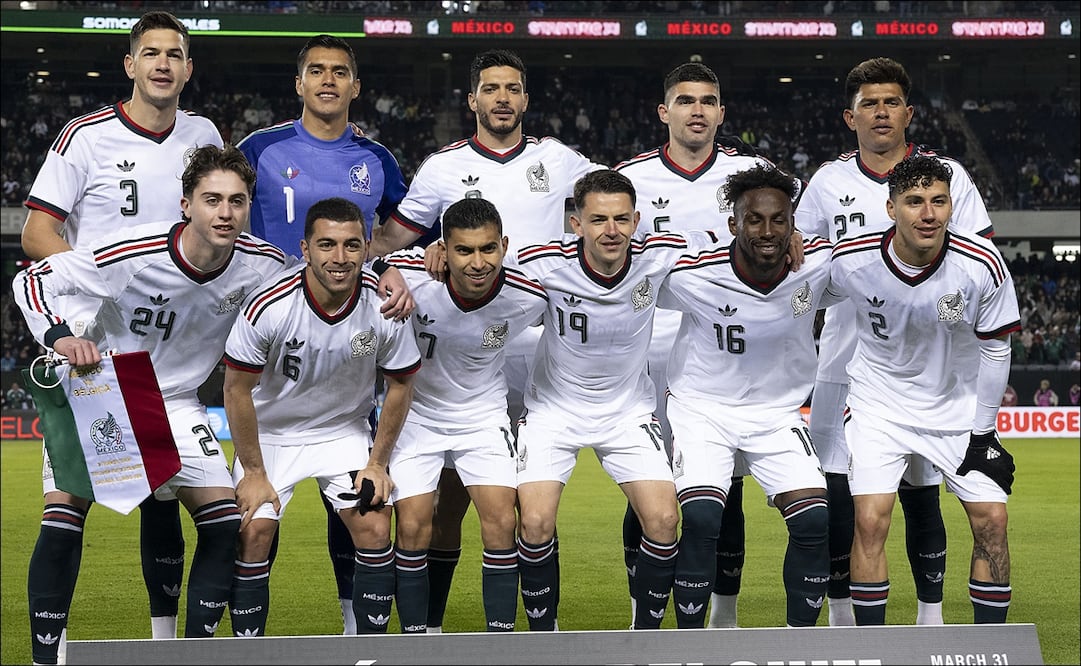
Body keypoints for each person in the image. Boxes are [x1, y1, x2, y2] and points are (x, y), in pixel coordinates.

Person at [14, 144, 292, 664]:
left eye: (237, 201)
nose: (225, 213)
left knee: (224, 523)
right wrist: (58, 336)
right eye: (212, 200)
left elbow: (306, 291)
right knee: (63, 517)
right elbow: (31, 278)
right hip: (103, 389)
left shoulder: (263, 264)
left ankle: (184, 654)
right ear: (186, 204)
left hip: (178, 403)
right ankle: (44, 659)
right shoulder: (130, 253)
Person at [368, 48, 604, 632]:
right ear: (472, 100)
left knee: (526, 508)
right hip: (459, 344)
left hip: (540, 347)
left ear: (526, 99)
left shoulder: (562, 160)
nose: (502, 98)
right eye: (491, 89)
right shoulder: (443, 167)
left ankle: (531, 627)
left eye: (513, 88)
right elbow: (390, 242)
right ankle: (430, 626)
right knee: (442, 503)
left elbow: (610, 214)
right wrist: (400, 264)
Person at [18, 10, 223, 653]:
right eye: (151, 53)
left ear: (188, 69)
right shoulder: (86, 136)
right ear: (130, 65)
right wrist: (80, 300)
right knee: (67, 506)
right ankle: (46, 656)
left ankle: (168, 646)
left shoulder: (204, 133)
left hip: (172, 352)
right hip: (99, 353)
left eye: (175, 54)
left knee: (169, 497)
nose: (163, 63)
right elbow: (35, 234)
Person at [795, 57, 995, 626]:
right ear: (849, 116)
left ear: (908, 112)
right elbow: (803, 269)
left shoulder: (948, 175)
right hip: (845, 359)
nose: (880, 113)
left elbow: (980, 266)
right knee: (846, 494)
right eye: (868, 104)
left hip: (933, 364)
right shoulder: (828, 183)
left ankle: (929, 620)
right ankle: (842, 618)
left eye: (890, 103)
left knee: (922, 490)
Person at [613, 61, 803, 629]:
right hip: (646, 351)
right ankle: (640, 609)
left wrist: (791, 235)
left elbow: (793, 229)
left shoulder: (754, 172)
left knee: (727, 491)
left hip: (725, 356)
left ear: (722, 112)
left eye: (708, 101)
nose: (697, 110)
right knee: (648, 490)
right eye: (685, 100)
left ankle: (723, 614)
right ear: (663, 111)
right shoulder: (630, 177)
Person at [236, 34, 412, 634]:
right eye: (317, 71)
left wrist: (390, 266)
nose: (328, 81)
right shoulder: (259, 148)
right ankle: (242, 641)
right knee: (249, 521)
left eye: (340, 72)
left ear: (355, 87)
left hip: (344, 325)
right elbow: (222, 207)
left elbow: (401, 230)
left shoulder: (378, 159)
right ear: (300, 83)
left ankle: (356, 631)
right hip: (270, 321)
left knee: (360, 513)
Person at [513, 169, 712, 631]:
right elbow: (478, 266)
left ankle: (644, 637)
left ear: (637, 219)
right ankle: (546, 638)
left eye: (622, 219)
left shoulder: (659, 255)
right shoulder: (542, 262)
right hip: (552, 412)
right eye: (598, 219)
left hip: (627, 413)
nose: (612, 230)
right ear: (575, 223)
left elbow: (729, 241)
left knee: (664, 521)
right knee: (535, 524)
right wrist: (423, 259)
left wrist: (792, 238)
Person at [827, 154, 1019, 625]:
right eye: (914, 202)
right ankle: (870, 652)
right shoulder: (852, 259)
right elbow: (804, 293)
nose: (928, 213)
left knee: (991, 522)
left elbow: (997, 350)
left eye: (939, 201)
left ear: (953, 206)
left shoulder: (981, 264)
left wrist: (984, 433)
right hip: (879, 407)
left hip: (957, 412)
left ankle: (988, 644)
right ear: (891, 208)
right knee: (871, 520)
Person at [222, 197, 419, 637]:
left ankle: (367, 647)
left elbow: (401, 384)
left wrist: (377, 463)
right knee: (253, 534)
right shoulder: (268, 305)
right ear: (305, 249)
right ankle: (245, 650)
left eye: (352, 245)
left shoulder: (384, 306)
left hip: (341, 435)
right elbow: (236, 389)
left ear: (367, 247)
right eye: (326, 245)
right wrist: (253, 471)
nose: (340, 257)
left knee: (374, 526)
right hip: (272, 437)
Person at [660, 164, 834, 628]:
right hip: (703, 409)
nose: (767, 231)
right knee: (699, 518)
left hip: (777, 414)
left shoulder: (818, 263)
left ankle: (802, 648)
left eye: (779, 220)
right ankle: (692, 650)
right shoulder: (691, 273)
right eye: (754, 220)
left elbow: (881, 252)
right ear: (733, 224)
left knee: (815, 522)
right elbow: (629, 261)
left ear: (794, 224)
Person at [382, 197, 548, 632]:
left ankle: (500, 643)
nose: (478, 263)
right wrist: (389, 268)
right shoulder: (413, 279)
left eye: (488, 249)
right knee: (414, 527)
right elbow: (366, 264)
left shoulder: (530, 295)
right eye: (464, 251)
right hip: (416, 417)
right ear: (443, 249)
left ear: (504, 245)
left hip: (482, 417)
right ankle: (420, 641)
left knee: (500, 522)